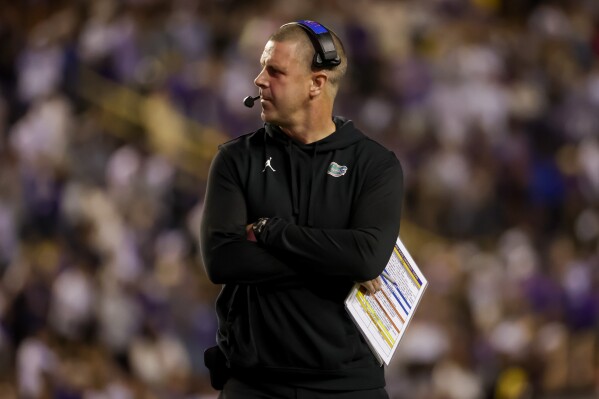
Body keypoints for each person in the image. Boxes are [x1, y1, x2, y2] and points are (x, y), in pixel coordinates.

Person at [200, 20, 403, 399]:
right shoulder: (235, 159)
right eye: (263, 67)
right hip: (254, 384)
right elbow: (222, 260)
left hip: (349, 387)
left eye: (275, 71)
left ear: (316, 83)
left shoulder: (375, 164)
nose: (259, 79)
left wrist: (269, 233)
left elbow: (366, 259)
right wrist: (337, 263)